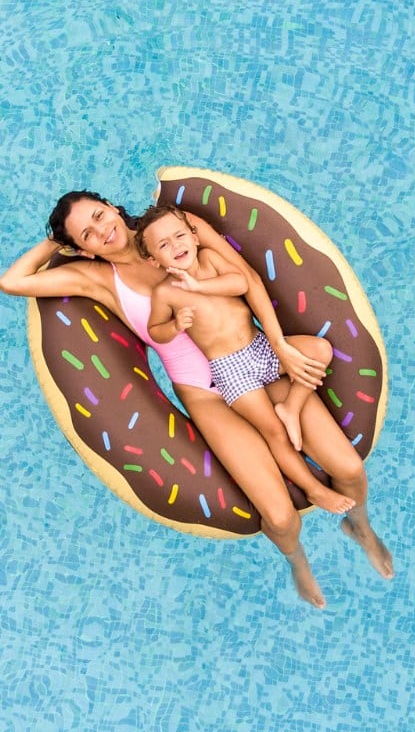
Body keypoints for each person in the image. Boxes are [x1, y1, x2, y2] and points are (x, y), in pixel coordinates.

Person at [1, 190, 393, 605]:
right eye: (87, 234)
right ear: (83, 250)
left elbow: (247, 278)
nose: (102, 230)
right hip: (207, 396)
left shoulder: (175, 227)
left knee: (349, 468)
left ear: (112, 207)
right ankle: (297, 560)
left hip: (254, 358)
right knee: (280, 518)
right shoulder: (97, 279)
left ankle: (359, 525)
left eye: (99, 215)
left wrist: (280, 345)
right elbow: (11, 281)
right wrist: (58, 240)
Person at [136, 201, 332, 472]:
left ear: (194, 237)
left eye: (179, 236)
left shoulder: (210, 259)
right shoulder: (165, 293)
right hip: (230, 369)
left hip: (259, 346)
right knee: (273, 430)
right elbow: (155, 330)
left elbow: (241, 282)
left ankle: (291, 408)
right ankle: (310, 486)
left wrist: (199, 286)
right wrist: (175, 326)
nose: (176, 246)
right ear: (154, 260)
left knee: (320, 350)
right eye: (163, 245)